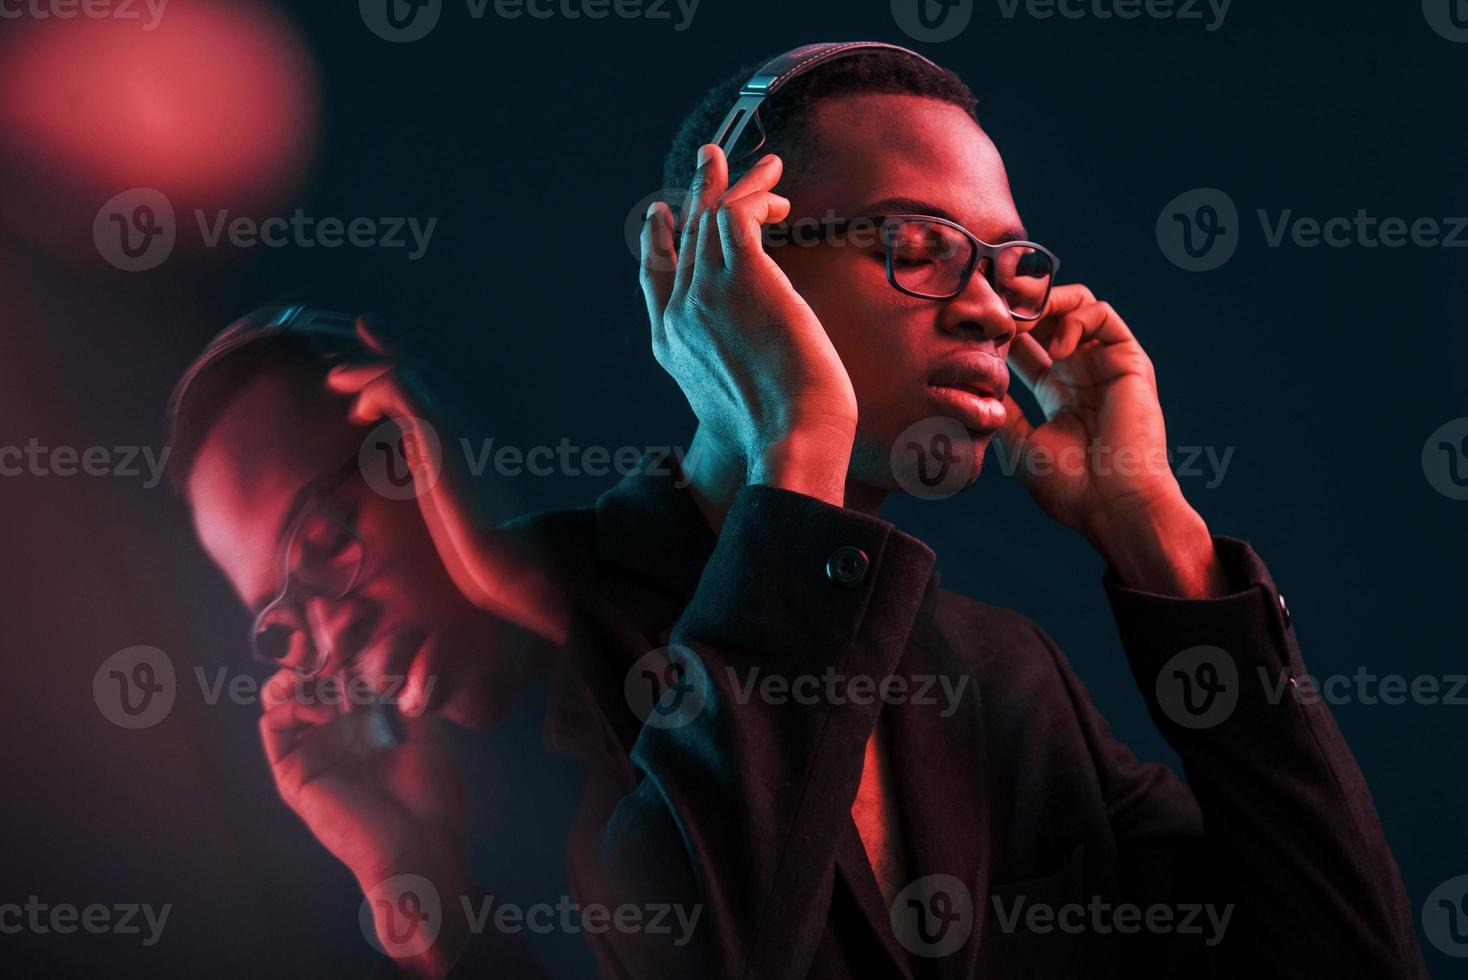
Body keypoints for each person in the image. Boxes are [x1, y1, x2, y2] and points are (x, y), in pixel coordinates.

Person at [468, 43, 1420, 978]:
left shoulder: (1010, 679)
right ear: (705, 260)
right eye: (914, 246)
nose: (993, 312)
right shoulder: (485, 616)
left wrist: (1155, 531)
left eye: (1010, 267)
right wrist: (797, 443)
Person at [165, 306, 585, 979]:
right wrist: (420, 893)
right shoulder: (455, 829)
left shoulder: (719, 567)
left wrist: (556, 602)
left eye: (327, 543)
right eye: (283, 619)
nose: (333, 634)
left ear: (420, 440)